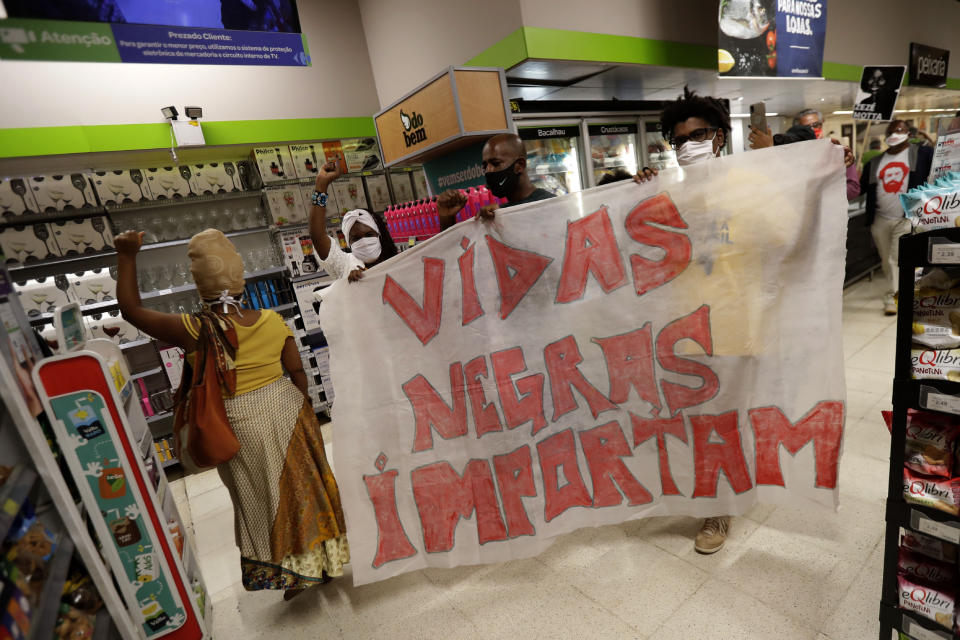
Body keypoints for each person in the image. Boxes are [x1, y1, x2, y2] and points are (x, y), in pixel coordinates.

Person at [114, 228, 349, 601]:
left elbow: (130, 310)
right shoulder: (272, 320)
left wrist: (127, 255)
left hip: (239, 423)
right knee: (307, 490)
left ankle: (294, 573)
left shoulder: (194, 329)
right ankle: (325, 562)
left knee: (265, 499)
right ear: (239, 278)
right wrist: (301, 403)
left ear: (199, 285)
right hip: (290, 411)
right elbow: (297, 369)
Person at [632, 87, 732, 555]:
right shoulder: (667, 196)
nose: (690, 144)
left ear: (719, 137)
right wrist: (636, 193)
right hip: (685, 327)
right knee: (698, 418)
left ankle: (722, 504)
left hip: (737, 323)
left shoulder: (753, 184)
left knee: (730, 417)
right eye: (680, 139)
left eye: (700, 134)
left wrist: (829, 164)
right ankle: (713, 498)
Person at [860, 119, 934, 315]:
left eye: (900, 130)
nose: (895, 134)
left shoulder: (919, 155)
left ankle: (894, 297)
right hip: (880, 219)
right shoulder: (875, 162)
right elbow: (861, 188)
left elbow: (939, 164)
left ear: (908, 134)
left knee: (895, 259)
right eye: (891, 131)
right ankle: (900, 290)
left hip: (905, 217)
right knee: (886, 260)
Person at [435, 133, 554, 229]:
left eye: (495, 163)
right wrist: (447, 219)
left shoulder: (551, 205)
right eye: (485, 166)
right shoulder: (496, 214)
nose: (488, 171)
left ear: (519, 165)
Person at [307, 162, 397, 285]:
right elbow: (317, 236)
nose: (364, 241)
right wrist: (321, 185)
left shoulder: (397, 261)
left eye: (369, 234)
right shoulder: (345, 265)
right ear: (349, 243)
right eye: (356, 238)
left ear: (379, 234)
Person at [749, 108, 860, 200]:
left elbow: (853, 188)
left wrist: (827, 193)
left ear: (822, 124)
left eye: (816, 125)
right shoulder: (792, 156)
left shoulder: (836, 151)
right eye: (807, 127)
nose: (813, 129)